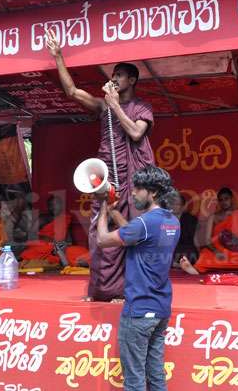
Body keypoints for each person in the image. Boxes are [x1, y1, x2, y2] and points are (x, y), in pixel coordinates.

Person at [46, 29, 155, 301]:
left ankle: (127, 292)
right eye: (113, 74)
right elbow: (71, 91)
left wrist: (116, 106)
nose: (113, 79)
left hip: (131, 181)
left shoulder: (142, 107)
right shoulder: (103, 107)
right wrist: (59, 56)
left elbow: (136, 134)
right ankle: (100, 290)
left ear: (132, 79)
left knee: (129, 232)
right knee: (99, 233)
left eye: (119, 74)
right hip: (104, 179)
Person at [95, 165, 180, 391]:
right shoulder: (171, 221)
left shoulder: (146, 223)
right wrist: (115, 213)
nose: (132, 193)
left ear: (152, 193)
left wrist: (103, 208)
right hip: (161, 308)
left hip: (140, 310)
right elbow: (135, 235)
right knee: (156, 376)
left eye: (137, 189)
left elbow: (102, 240)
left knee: (134, 381)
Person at [180, 187, 238, 275]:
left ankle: (215, 268)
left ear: (231, 199)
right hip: (217, 249)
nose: (224, 202)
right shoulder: (213, 217)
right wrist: (217, 252)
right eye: (221, 200)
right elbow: (207, 240)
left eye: (226, 199)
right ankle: (195, 271)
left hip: (236, 250)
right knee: (204, 258)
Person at [20, 195, 89, 268]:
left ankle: (84, 262)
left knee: (77, 250)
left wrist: (66, 244)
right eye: (50, 205)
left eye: (56, 204)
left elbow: (68, 238)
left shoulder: (64, 219)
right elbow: (31, 234)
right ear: (48, 207)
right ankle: (61, 258)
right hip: (44, 245)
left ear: (61, 206)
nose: (53, 207)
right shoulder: (43, 218)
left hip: (59, 247)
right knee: (41, 248)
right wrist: (49, 240)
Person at [170, 192, 198, 267]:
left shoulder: (191, 219)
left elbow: (194, 240)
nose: (174, 206)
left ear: (183, 206)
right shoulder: (165, 219)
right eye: (172, 204)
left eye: (177, 204)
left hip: (185, 248)